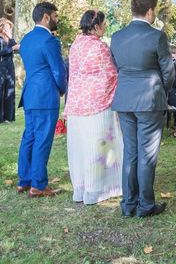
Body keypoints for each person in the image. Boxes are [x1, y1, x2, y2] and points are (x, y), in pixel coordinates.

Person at [111, 0, 174, 217]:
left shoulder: (116, 37)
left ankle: (129, 204)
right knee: (146, 153)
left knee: (130, 152)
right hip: (149, 99)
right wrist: (163, 90)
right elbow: (168, 70)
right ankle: (146, 205)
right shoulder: (157, 36)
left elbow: (116, 66)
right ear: (149, 11)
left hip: (124, 98)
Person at [64, 10, 122, 205]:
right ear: (96, 26)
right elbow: (110, 75)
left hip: (76, 104)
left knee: (80, 148)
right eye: (104, 23)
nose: (105, 27)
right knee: (98, 147)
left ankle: (81, 190)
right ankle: (96, 189)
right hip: (97, 104)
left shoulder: (75, 45)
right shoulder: (100, 47)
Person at [17, 2, 67, 198]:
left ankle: (24, 180)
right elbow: (57, 68)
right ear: (46, 17)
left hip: (30, 94)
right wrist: (62, 89)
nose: (56, 19)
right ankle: (38, 185)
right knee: (42, 139)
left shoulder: (26, 39)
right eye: (55, 16)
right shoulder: (49, 40)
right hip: (45, 96)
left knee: (29, 137)